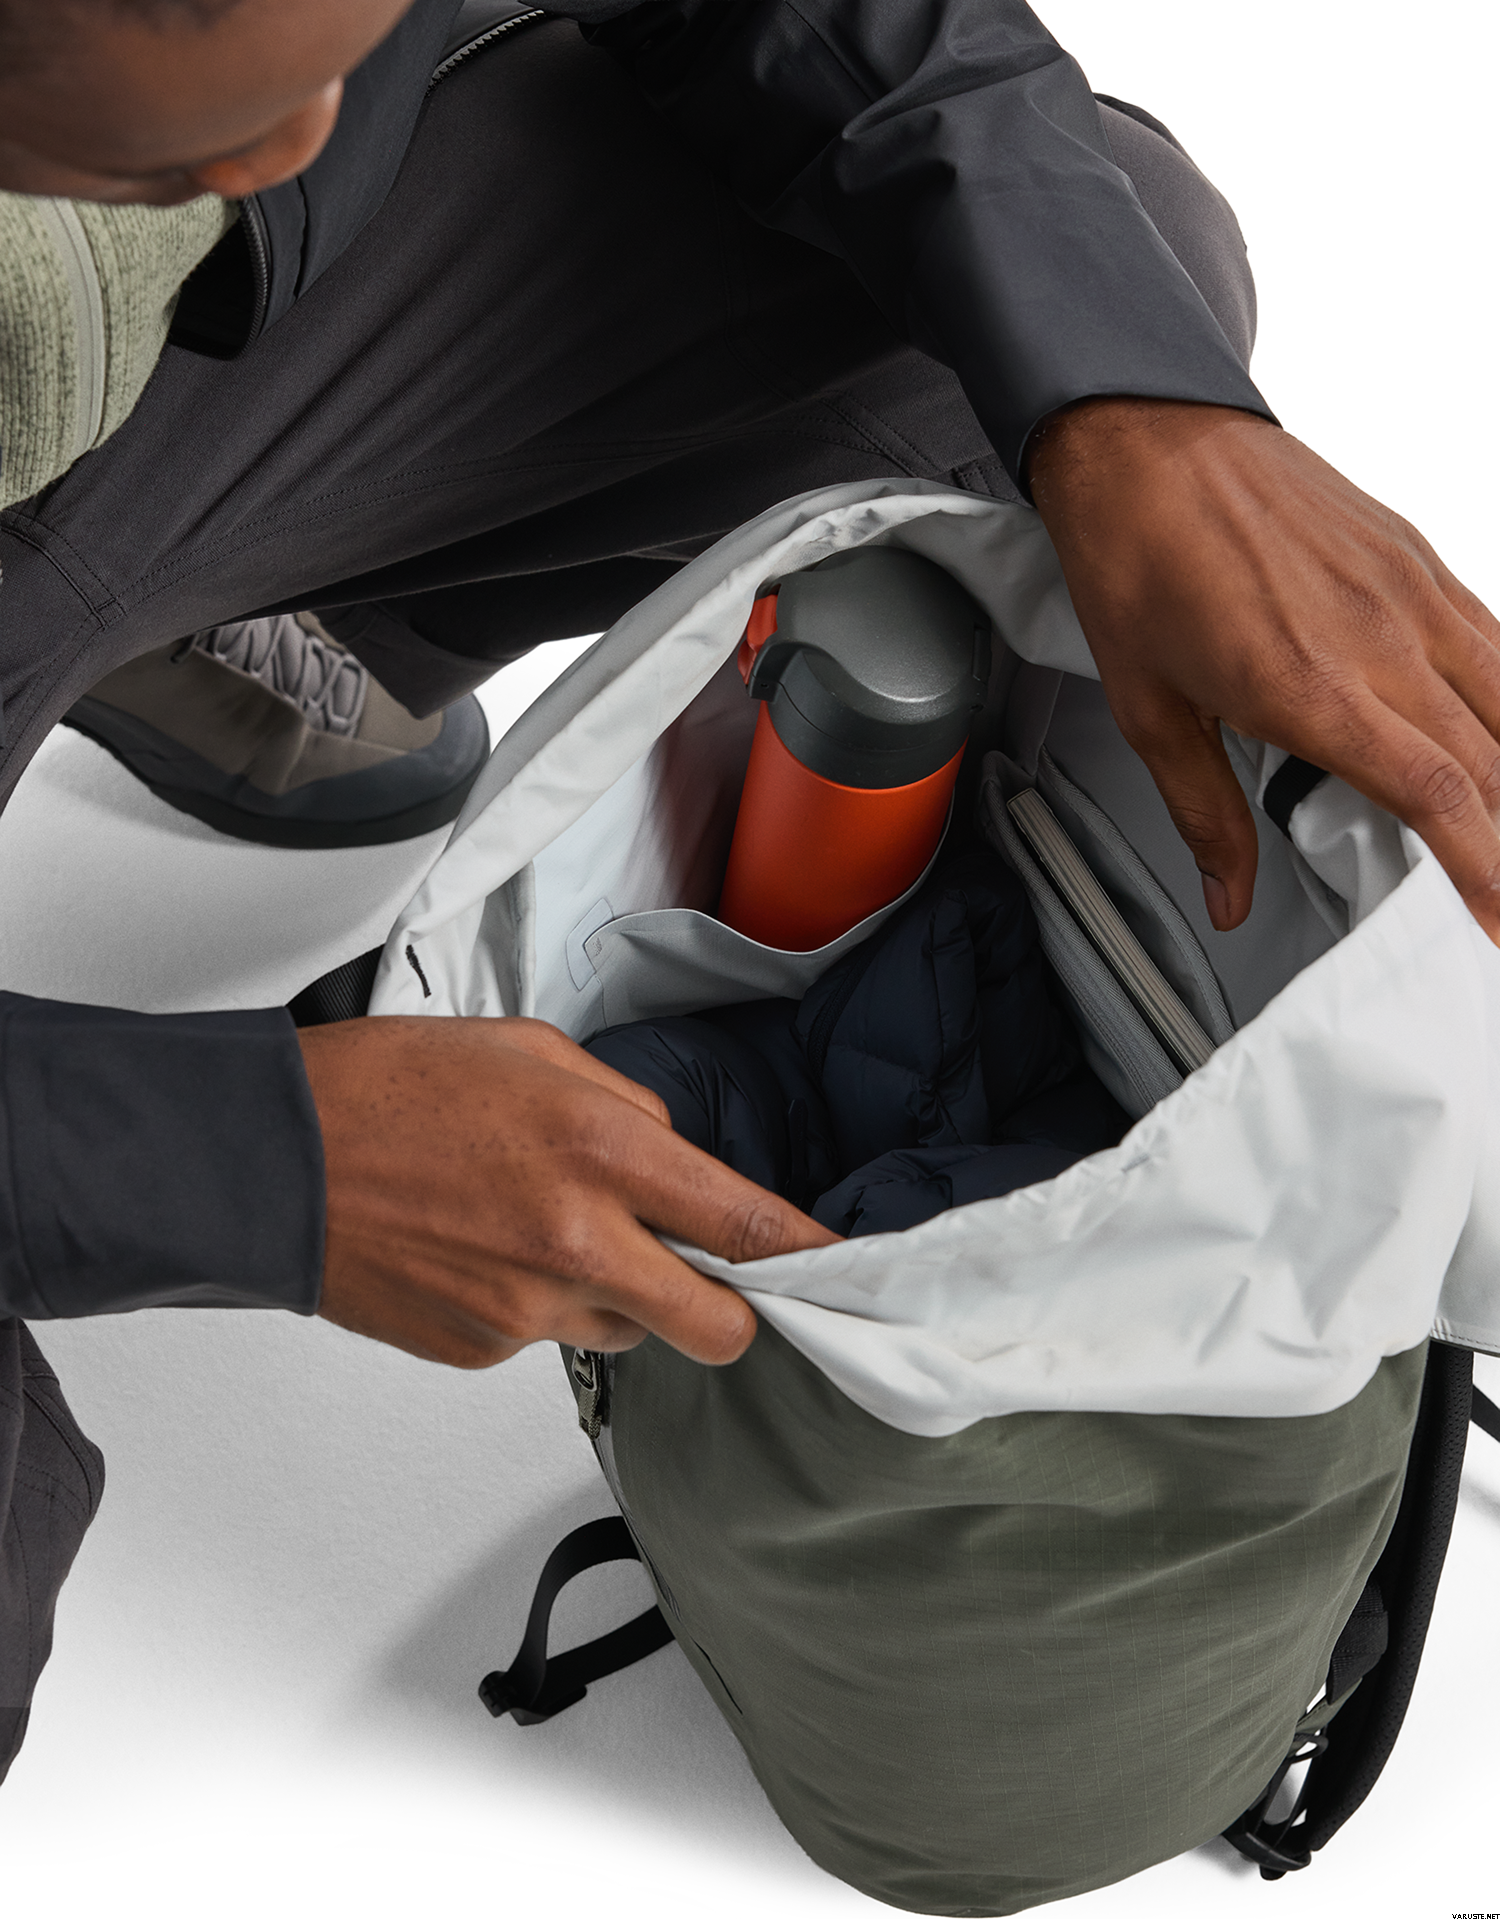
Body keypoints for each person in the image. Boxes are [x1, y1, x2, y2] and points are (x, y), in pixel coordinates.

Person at [0, 0, 1496, 1775]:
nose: (286, 151)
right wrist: (238, 1159)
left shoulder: (255, 141)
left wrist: (1131, 396)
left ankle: (266, 614)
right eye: (219, 117)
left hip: (132, 382)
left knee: (1077, 288)